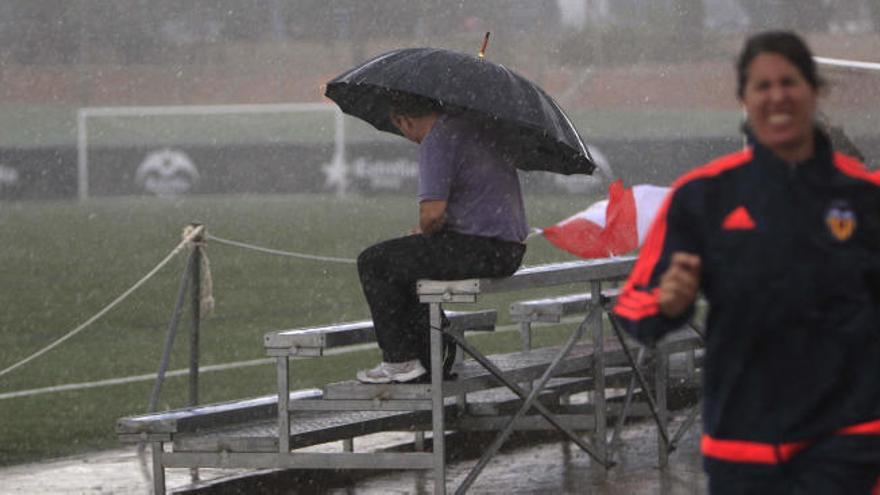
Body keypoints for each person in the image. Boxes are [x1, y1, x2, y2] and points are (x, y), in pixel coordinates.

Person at [613, 31, 880, 494]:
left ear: (815, 91)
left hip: (845, 441)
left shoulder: (862, 197)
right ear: (743, 99)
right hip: (743, 444)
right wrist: (666, 301)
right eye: (762, 85)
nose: (777, 96)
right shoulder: (703, 196)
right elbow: (635, 308)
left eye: (789, 82)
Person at [356, 92, 527, 384]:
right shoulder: (475, 129)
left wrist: (424, 230)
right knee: (406, 266)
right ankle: (430, 358)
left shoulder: (438, 138)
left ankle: (401, 361)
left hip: (480, 248)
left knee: (374, 262)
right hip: (508, 248)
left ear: (403, 120)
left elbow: (432, 214)